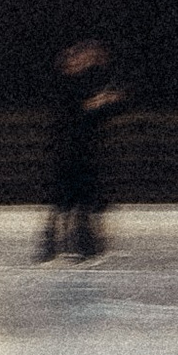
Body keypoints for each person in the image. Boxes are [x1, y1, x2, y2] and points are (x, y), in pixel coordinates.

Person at [39, 39, 124, 261]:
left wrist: (104, 102)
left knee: (82, 199)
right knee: (65, 200)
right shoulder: (63, 85)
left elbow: (95, 113)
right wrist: (99, 102)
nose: (83, 61)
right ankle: (57, 243)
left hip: (84, 147)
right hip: (68, 148)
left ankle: (83, 243)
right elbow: (75, 112)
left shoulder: (84, 81)